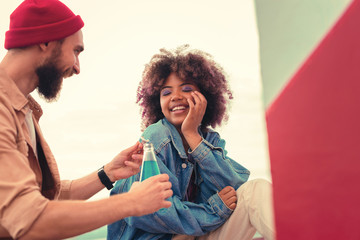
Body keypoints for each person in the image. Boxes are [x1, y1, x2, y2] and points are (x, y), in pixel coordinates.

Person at [0, 1, 173, 239]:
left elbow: (45, 198)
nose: (77, 67)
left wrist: (108, 173)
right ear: (46, 41)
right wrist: (132, 202)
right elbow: (30, 220)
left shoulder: (24, 110)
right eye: (76, 51)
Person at [108, 45, 276, 240]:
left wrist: (192, 135)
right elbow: (151, 211)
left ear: (205, 96)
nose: (176, 97)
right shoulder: (154, 139)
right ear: (157, 101)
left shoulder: (209, 140)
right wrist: (214, 211)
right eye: (166, 92)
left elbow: (233, 191)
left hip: (197, 234)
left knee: (255, 190)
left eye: (186, 89)